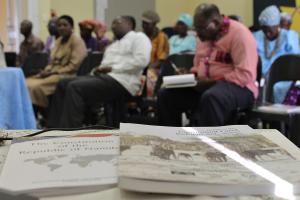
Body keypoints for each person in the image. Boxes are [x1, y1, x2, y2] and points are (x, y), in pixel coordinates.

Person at [158, 3, 258, 126]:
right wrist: (190, 74)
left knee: (212, 97)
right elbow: (198, 66)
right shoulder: (205, 36)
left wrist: (213, 82)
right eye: (196, 29)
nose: (198, 34)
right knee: (166, 94)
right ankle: (171, 140)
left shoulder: (240, 34)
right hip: (207, 86)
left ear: (215, 22)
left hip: (240, 88)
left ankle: (207, 144)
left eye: (201, 29)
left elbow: (245, 75)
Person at [46, 16, 151, 128]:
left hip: (122, 81)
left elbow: (141, 60)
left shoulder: (139, 37)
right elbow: (105, 66)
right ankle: (54, 128)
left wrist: (112, 69)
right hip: (105, 78)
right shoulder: (113, 45)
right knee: (63, 83)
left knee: (75, 87)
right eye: (113, 23)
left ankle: (69, 131)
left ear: (130, 24)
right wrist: (96, 70)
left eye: (117, 22)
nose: (113, 25)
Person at [26, 15, 87, 108]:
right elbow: (51, 62)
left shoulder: (77, 41)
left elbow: (73, 66)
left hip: (67, 75)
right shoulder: (58, 41)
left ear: (72, 27)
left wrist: (53, 72)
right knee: (26, 83)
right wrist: (46, 71)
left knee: (35, 87)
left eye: (65, 25)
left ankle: (46, 113)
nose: (61, 27)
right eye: (59, 25)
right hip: (52, 73)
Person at [253, 6, 300, 103]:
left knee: (279, 87)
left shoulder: (289, 37)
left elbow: (295, 63)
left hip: (283, 80)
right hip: (260, 78)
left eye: (270, 30)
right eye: (264, 30)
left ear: (277, 25)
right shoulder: (256, 37)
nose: (267, 34)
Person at [142, 10, 169, 97]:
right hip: (142, 66)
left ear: (154, 24)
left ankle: (150, 101)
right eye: (143, 23)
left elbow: (161, 59)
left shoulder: (161, 37)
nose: (144, 26)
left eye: (147, 23)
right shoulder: (140, 36)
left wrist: (147, 68)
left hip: (157, 68)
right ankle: (133, 104)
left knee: (150, 73)